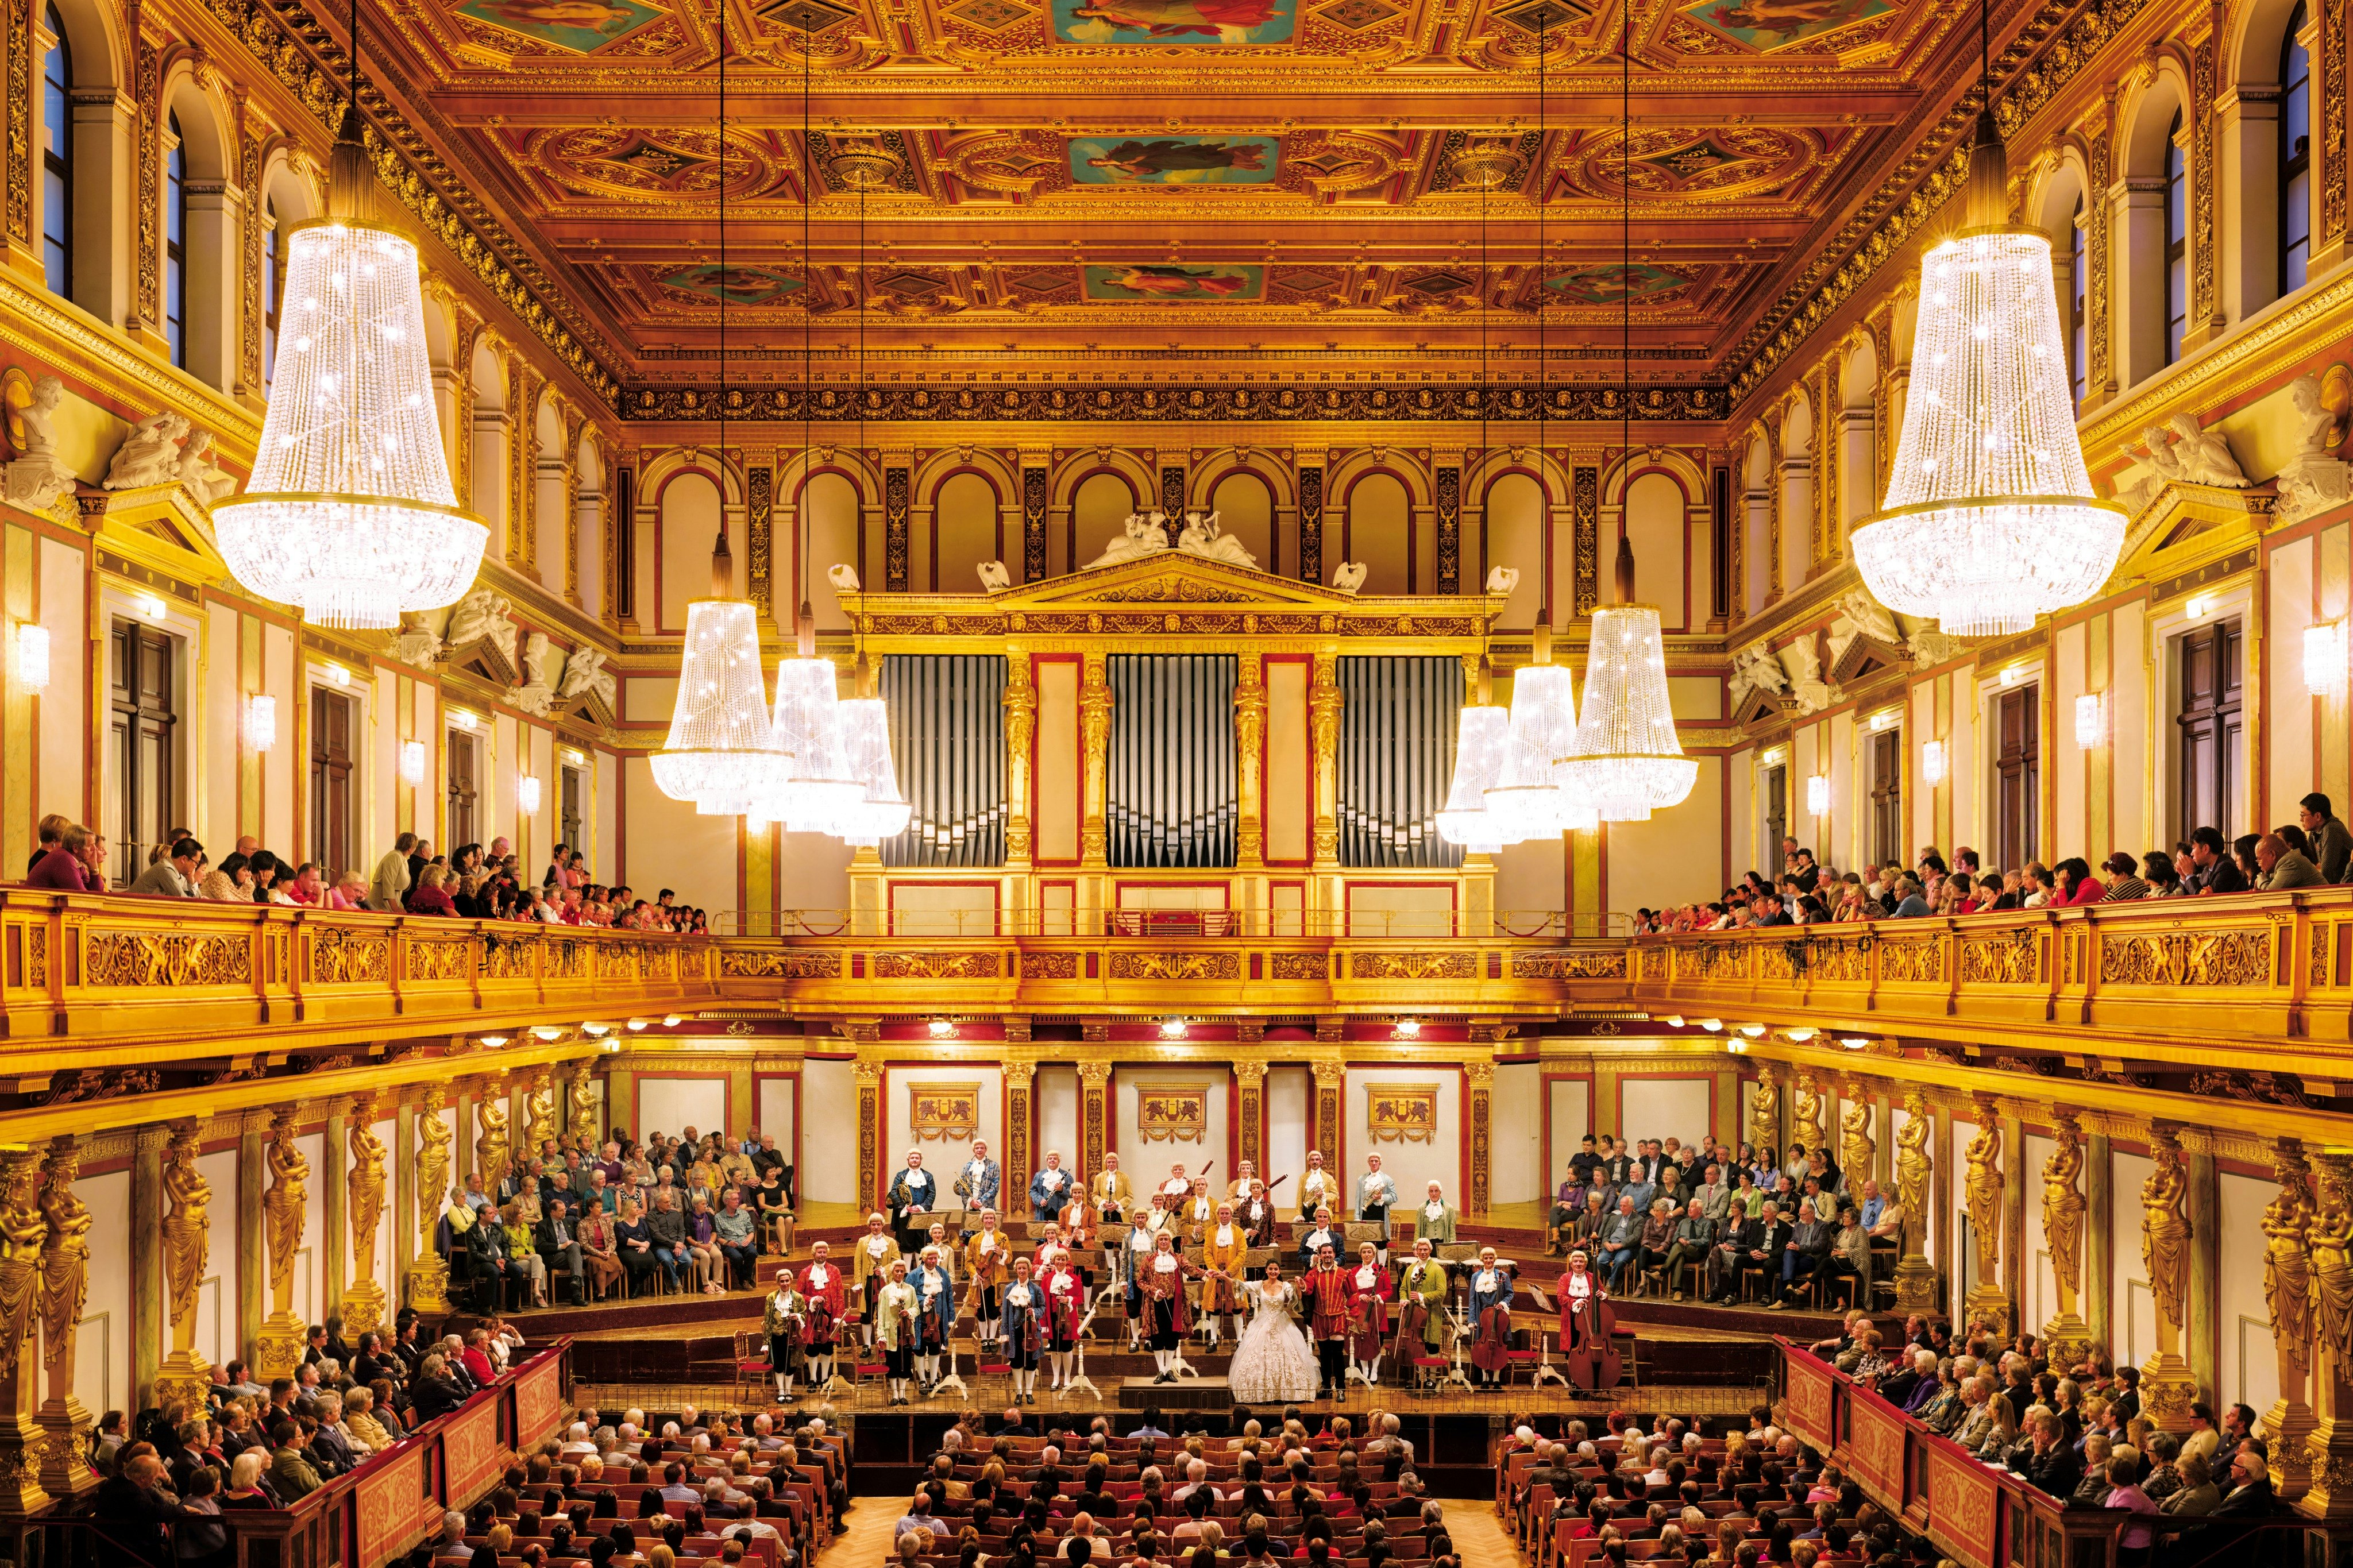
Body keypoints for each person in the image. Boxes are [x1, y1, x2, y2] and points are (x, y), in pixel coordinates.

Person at [1228, 1260, 1318, 1404]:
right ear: (1266, 1270)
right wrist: (1223, 1276)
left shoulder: (1285, 1286)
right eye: (1271, 1269)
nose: (1273, 1272)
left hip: (1282, 1322)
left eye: (1276, 1269)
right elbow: (1240, 1285)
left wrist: (1299, 1287)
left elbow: (1296, 1298)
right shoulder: (1260, 1284)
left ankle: (1288, 1391)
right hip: (1262, 1323)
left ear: (1279, 1271)